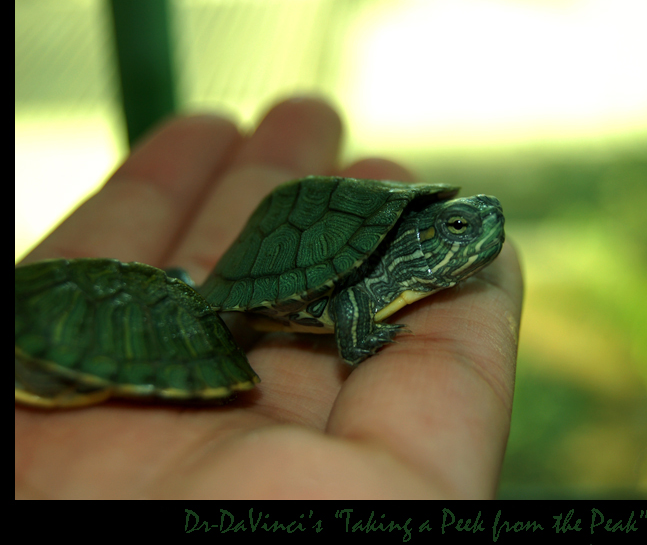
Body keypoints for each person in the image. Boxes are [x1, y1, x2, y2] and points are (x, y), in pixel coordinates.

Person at [14, 97, 524, 498]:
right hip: (270, 268)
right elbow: (350, 302)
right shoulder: (367, 272)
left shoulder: (403, 264)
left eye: (463, 224)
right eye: (457, 226)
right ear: (422, 238)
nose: (476, 228)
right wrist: (360, 338)